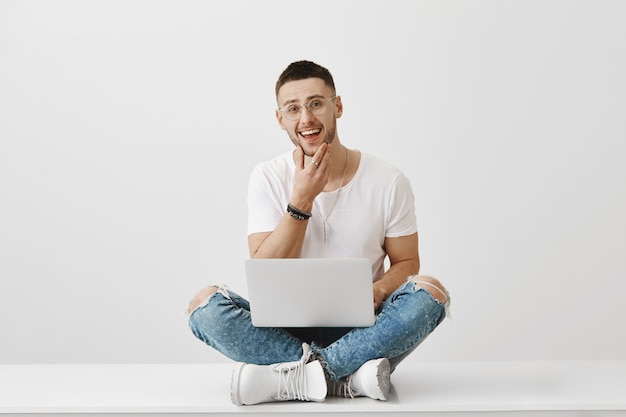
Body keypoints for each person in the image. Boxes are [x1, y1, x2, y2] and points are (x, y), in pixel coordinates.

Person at [186, 60, 450, 406]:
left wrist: (380, 289)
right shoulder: (267, 176)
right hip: (282, 331)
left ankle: (293, 378)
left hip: (363, 331)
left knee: (432, 293)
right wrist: (302, 199)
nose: (306, 119)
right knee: (203, 307)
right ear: (280, 119)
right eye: (293, 109)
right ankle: (347, 378)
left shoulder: (388, 180)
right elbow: (266, 267)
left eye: (316, 103)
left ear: (337, 106)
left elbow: (407, 261)